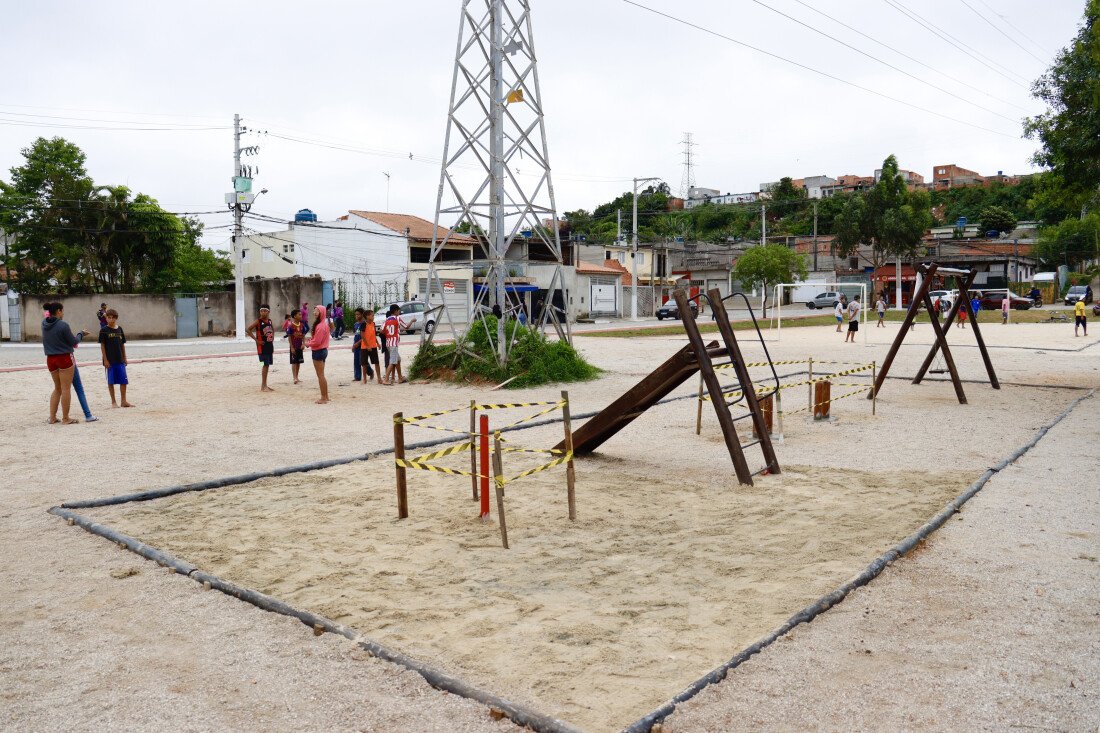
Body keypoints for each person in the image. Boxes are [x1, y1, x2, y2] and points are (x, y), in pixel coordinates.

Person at [42, 301, 90, 425]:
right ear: (58, 311)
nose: (63, 314)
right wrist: (81, 334)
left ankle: (52, 417)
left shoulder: (44, 324)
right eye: (62, 311)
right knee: (66, 388)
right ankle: (65, 418)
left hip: (50, 358)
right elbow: (73, 341)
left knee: (57, 388)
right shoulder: (63, 325)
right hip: (64, 358)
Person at [98, 308, 133, 407]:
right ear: (106, 318)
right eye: (109, 318)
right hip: (110, 360)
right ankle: (113, 402)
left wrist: (125, 358)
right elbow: (102, 345)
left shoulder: (119, 329)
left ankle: (123, 401)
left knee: (123, 380)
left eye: (113, 318)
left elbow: (122, 344)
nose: (111, 320)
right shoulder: (104, 330)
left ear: (116, 318)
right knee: (111, 381)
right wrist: (105, 360)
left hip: (120, 359)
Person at [245, 305, 276, 392]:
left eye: (264, 311)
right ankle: (263, 386)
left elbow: (272, 330)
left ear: (268, 312)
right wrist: (257, 340)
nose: (263, 313)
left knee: (267, 365)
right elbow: (248, 329)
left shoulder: (269, 321)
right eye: (261, 311)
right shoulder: (258, 321)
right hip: (261, 348)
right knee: (264, 365)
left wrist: (272, 338)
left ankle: (265, 385)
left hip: (269, 346)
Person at [306, 305, 330, 403]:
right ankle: (326, 396)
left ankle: (323, 397)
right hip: (323, 350)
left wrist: (307, 343)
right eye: (314, 310)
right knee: (321, 375)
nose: (315, 312)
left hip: (318, 351)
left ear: (322, 313)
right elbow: (317, 339)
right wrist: (311, 340)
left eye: (317, 311)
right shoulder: (323, 324)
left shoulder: (320, 326)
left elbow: (317, 342)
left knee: (320, 375)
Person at [382, 304, 408, 385]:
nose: (399, 312)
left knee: (398, 359)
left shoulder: (386, 320)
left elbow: (381, 330)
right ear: (396, 311)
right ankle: (386, 379)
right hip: (394, 343)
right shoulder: (397, 318)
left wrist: (388, 334)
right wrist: (412, 321)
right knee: (392, 361)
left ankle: (400, 377)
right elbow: (406, 327)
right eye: (398, 311)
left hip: (388, 343)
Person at [286, 308, 309, 384]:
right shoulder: (291, 326)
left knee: (299, 362)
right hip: (294, 346)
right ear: (295, 316)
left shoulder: (302, 325)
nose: (301, 316)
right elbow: (289, 337)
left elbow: (303, 336)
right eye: (299, 314)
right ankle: (294, 377)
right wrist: (291, 347)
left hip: (300, 347)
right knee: (294, 362)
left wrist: (303, 344)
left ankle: (297, 377)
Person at [361, 309, 382, 384]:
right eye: (372, 315)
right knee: (364, 364)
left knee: (376, 362)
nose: (373, 317)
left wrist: (378, 343)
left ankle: (379, 378)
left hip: (373, 346)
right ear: (367, 316)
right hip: (365, 347)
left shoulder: (373, 324)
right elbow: (362, 335)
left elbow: (374, 335)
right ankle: (364, 379)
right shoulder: (364, 324)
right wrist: (367, 345)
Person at [351, 308, 368, 381]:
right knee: (356, 361)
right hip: (356, 345)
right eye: (356, 315)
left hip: (362, 345)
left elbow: (365, 336)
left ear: (362, 315)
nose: (357, 316)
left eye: (358, 314)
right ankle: (357, 376)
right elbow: (356, 335)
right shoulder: (355, 324)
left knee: (363, 361)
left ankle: (370, 371)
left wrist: (359, 343)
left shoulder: (364, 324)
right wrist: (353, 345)